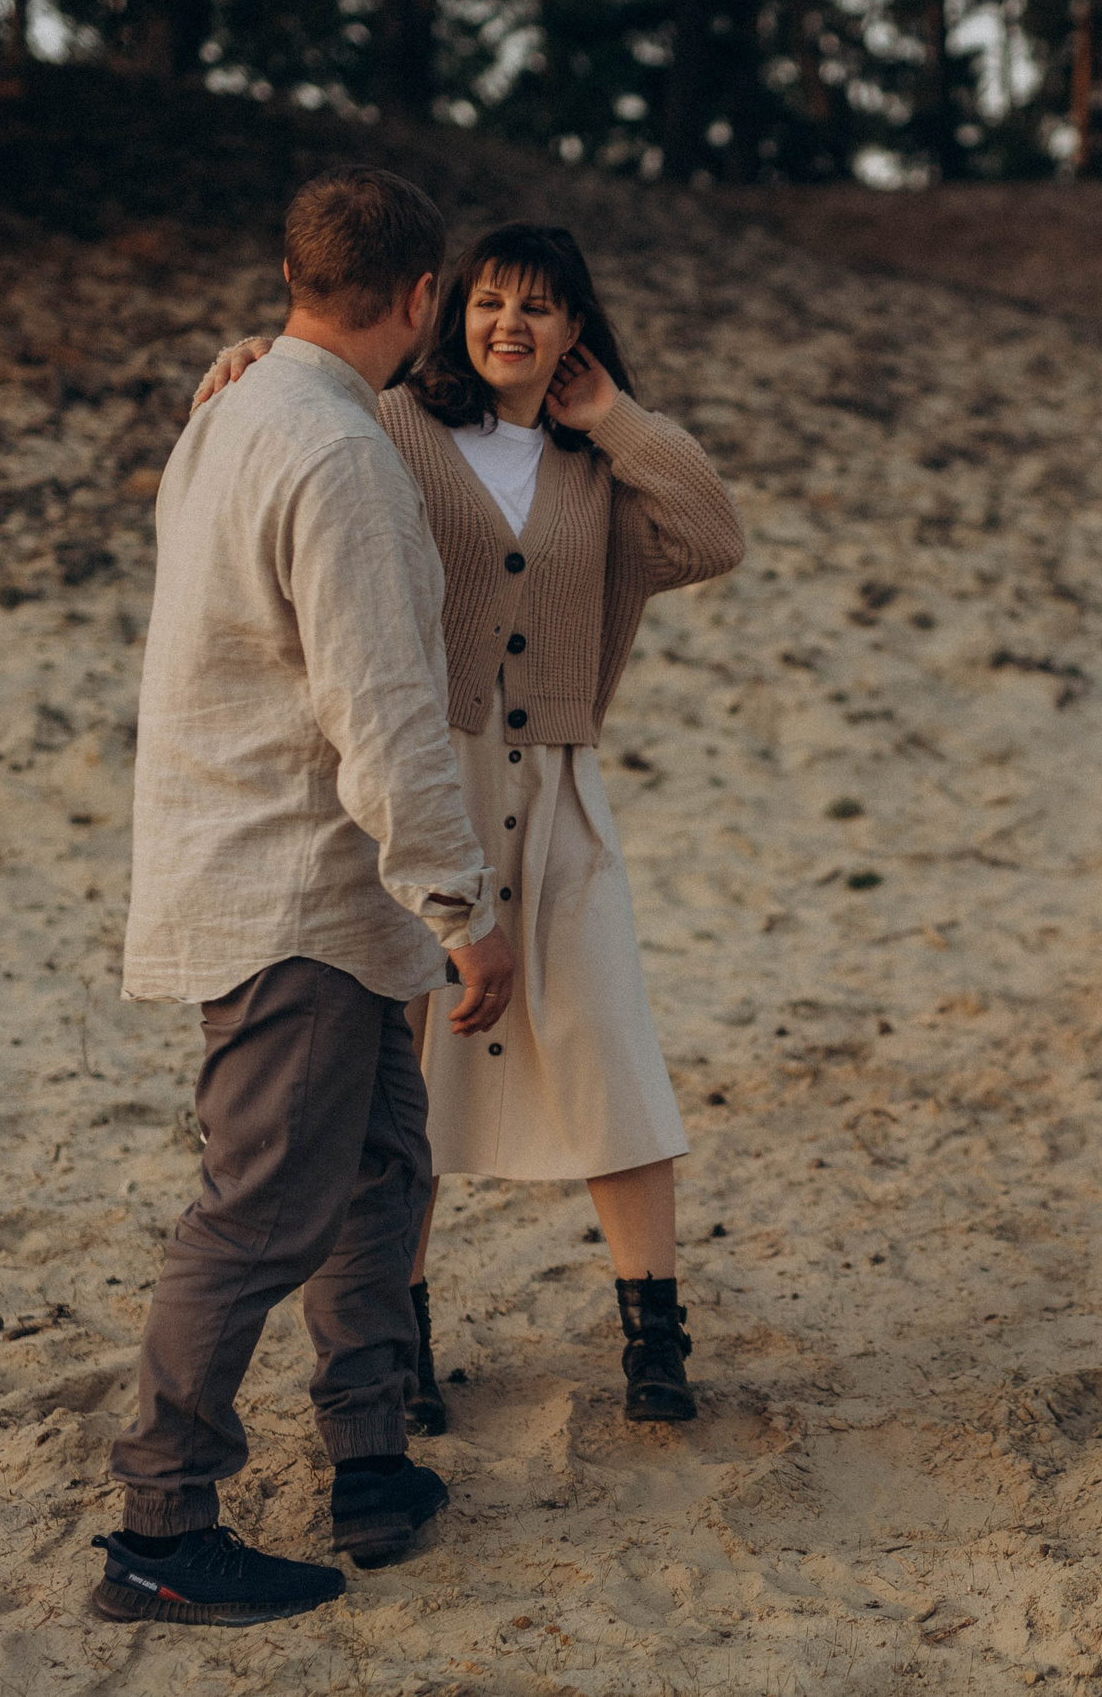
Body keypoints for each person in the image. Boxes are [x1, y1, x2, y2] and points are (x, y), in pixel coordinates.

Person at [193, 222, 744, 1430]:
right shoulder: (394, 427)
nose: (513, 324)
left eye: (542, 308)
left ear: (574, 327)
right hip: (423, 793)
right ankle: (402, 1348)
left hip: (553, 789)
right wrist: (255, 358)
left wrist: (616, 421)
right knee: (414, 1080)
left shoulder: (597, 465)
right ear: (453, 310)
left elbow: (712, 534)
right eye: (492, 300)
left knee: (607, 1045)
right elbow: (305, 415)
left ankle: (654, 1338)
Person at [94, 166, 518, 1627]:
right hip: (292, 886)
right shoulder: (333, 457)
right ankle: (158, 1524)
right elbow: (383, 710)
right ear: (418, 299)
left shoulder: (234, 407)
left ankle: (369, 1449)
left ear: (288, 277)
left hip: (329, 892)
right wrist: (469, 909)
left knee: (383, 1173)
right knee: (261, 1211)